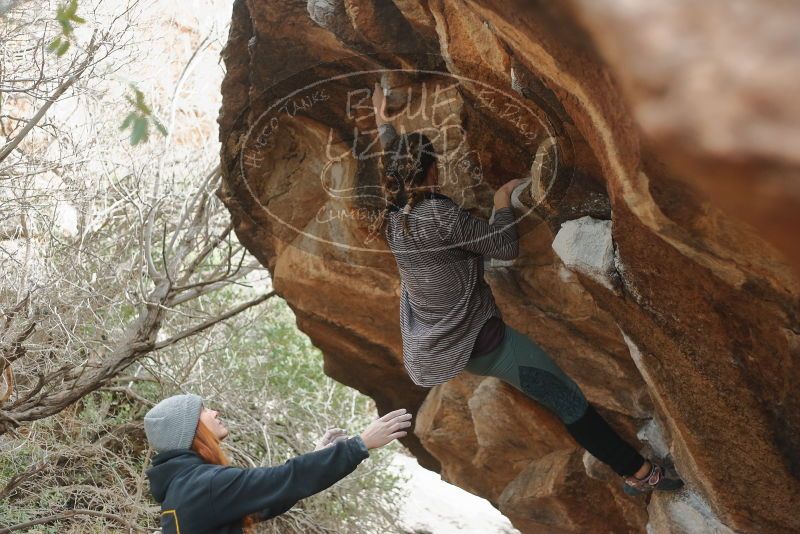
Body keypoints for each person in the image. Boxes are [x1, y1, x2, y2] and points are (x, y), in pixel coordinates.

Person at [371, 83, 683, 496]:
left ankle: (635, 471)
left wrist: (384, 127)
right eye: (435, 164)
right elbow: (503, 246)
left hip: (452, 343)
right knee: (567, 400)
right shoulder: (437, 215)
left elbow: (393, 166)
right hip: (489, 345)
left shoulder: (393, 217)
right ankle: (640, 474)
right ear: (431, 171)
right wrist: (502, 203)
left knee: (561, 398)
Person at [143, 393, 412, 533]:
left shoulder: (185, 486)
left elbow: (266, 501)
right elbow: (285, 478)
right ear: (189, 430)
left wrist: (318, 454)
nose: (214, 411)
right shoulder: (205, 485)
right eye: (202, 410)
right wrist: (360, 444)